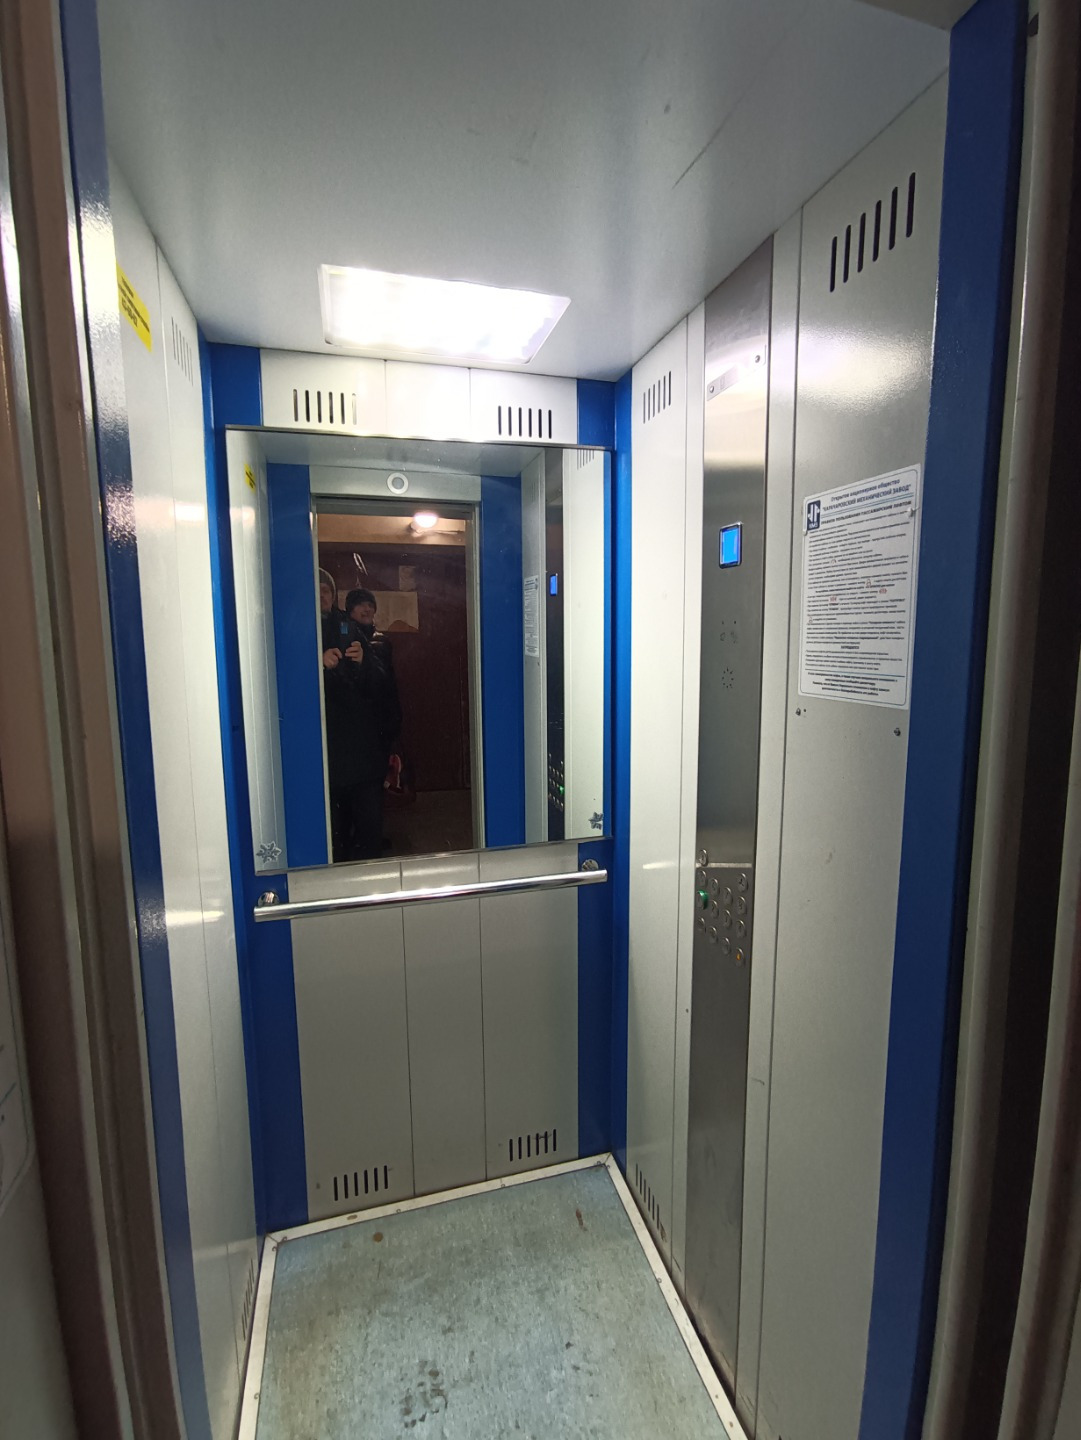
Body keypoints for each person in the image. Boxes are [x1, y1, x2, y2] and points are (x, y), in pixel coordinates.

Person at [318, 570, 392, 862]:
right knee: (333, 833)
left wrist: (363, 663)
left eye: (326, 590)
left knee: (368, 827)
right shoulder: (295, 628)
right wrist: (318, 664)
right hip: (323, 751)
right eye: (315, 590)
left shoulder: (349, 627)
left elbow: (379, 683)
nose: (321, 595)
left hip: (361, 750)